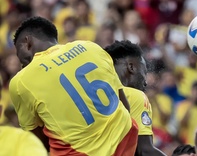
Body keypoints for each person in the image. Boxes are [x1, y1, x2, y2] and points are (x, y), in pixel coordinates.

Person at [10, 16, 138, 155]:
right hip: (126, 141)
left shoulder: (21, 81)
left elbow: (38, 142)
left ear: (27, 42)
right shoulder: (91, 47)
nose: (21, 64)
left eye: (19, 54)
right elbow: (124, 104)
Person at [105, 40, 166, 156]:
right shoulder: (134, 96)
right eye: (144, 71)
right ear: (131, 67)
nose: (146, 82)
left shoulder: (93, 95)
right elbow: (144, 151)